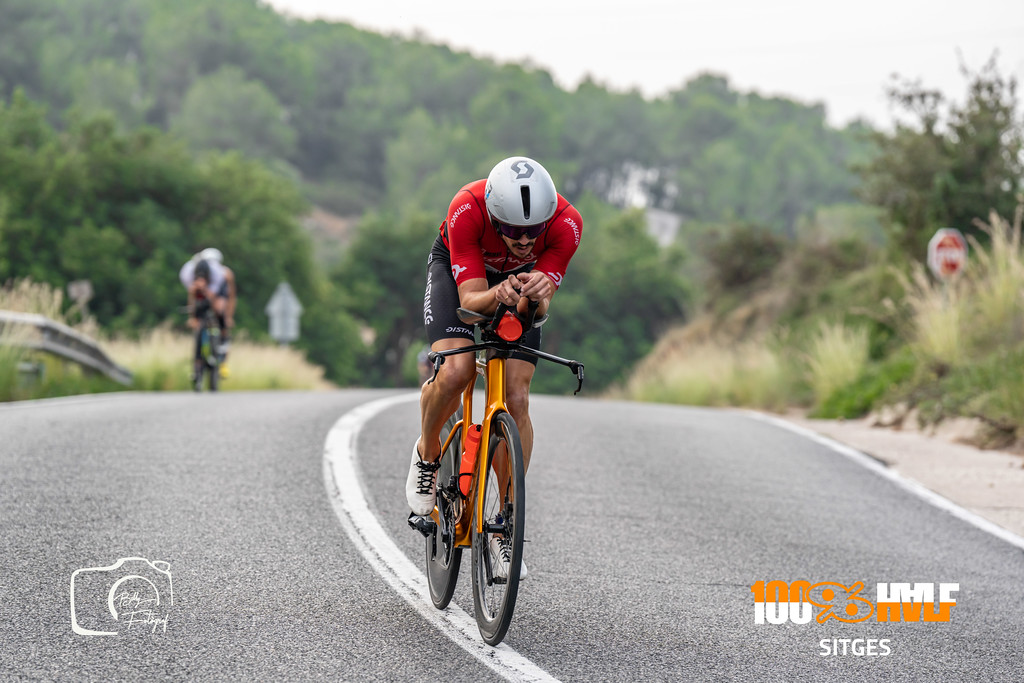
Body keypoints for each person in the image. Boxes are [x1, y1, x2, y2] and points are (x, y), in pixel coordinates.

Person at [406, 156, 583, 579]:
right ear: (494, 216)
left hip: (518, 283)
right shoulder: (467, 209)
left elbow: (539, 310)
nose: (524, 241)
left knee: (518, 398)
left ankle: (503, 523)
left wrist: (538, 294)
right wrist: (497, 291)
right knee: (456, 371)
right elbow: (470, 301)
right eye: (514, 232)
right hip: (459, 276)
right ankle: (428, 454)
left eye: (533, 232)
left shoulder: (566, 224)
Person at [179, 248, 236, 376]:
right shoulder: (187, 273)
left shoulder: (220, 273)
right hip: (199, 287)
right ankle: (198, 361)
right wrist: (192, 316)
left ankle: (222, 345)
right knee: (198, 316)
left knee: (219, 308)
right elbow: (191, 295)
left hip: (216, 290)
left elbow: (225, 296)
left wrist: (228, 317)